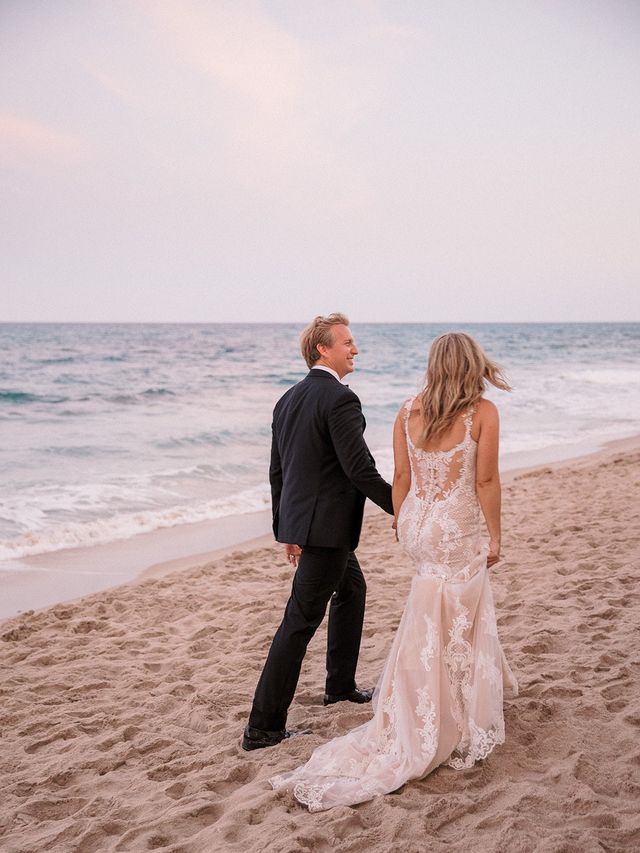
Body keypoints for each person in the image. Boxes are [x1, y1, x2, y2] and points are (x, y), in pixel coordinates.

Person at [270, 331, 519, 810]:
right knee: (460, 614)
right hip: (456, 526)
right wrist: (496, 534)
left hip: (419, 523)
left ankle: (416, 702)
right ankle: (458, 710)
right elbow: (485, 478)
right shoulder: (481, 412)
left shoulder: (408, 410)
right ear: (471, 364)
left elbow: (402, 477)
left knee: (426, 613)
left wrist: (403, 521)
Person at [242, 314, 394, 752]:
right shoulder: (340, 399)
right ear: (322, 350)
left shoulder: (288, 398)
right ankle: (263, 727)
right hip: (326, 530)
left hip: (312, 526)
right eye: (347, 342)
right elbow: (359, 469)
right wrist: (403, 509)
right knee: (299, 622)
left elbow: (279, 472)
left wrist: (284, 528)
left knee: (353, 590)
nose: (355, 349)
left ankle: (340, 687)